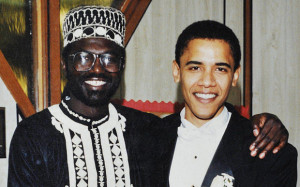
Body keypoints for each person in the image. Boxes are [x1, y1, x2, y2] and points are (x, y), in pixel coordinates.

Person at [7, 6, 290, 187]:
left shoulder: (140, 129)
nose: (97, 69)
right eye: (83, 57)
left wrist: (264, 122)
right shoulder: (34, 136)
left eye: (109, 59)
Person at [163, 20, 297, 187]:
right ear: (177, 71)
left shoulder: (272, 156)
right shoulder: (147, 140)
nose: (207, 82)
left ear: (235, 76)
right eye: (195, 68)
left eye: (220, 69)